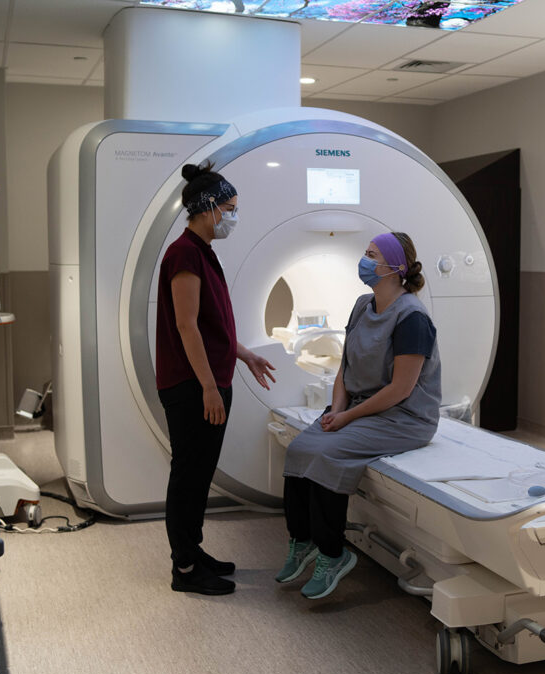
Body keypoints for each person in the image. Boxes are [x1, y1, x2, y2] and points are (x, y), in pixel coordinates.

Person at [277, 232, 441, 599]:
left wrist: (347, 419)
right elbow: (345, 367)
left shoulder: (412, 318)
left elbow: (401, 389)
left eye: (372, 255)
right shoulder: (362, 305)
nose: (364, 260)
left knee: (327, 454)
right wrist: (337, 410)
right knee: (299, 449)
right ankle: (302, 541)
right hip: (359, 408)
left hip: (405, 417)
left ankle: (333, 554)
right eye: (365, 253)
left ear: (395, 267)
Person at [156, 161, 276, 596]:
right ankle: (185, 568)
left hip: (206, 380)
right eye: (230, 209)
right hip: (192, 385)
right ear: (207, 207)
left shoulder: (202, 251)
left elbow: (211, 325)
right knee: (189, 475)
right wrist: (209, 386)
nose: (233, 217)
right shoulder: (184, 254)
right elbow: (187, 326)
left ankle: (193, 551)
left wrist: (244, 355)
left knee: (200, 472)